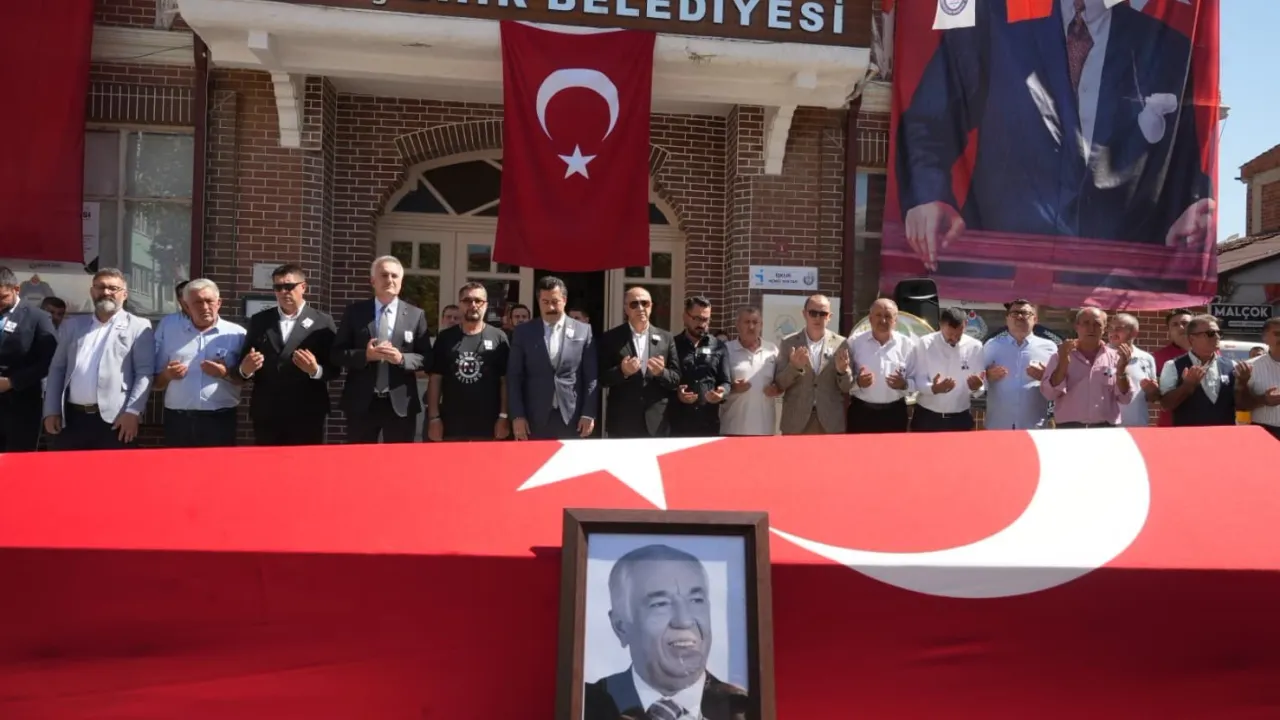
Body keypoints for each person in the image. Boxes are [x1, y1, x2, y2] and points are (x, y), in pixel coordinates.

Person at [897, 0, 1212, 270]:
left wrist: (1194, 204)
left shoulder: (1168, 48)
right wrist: (929, 195)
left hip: (1119, 275)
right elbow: (928, 123)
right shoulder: (994, 23)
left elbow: (1182, 159)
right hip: (1000, 267)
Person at [583, 544, 749, 720]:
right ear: (621, 626)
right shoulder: (582, 706)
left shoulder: (747, 709)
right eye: (660, 604)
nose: (684, 620)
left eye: (696, 600)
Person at [42, 268, 153, 449]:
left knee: (113, 468)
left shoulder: (139, 327)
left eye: (113, 288)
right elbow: (57, 369)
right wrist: (51, 410)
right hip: (71, 419)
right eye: (100, 287)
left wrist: (133, 412)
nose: (106, 292)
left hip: (116, 420)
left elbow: (144, 373)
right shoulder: (73, 325)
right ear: (92, 292)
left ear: (124, 294)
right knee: (67, 468)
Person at [234, 264, 338, 446]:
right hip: (267, 411)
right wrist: (245, 370)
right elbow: (244, 365)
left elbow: (335, 369)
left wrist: (315, 370)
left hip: (307, 411)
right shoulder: (260, 320)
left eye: (289, 286)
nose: (283, 292)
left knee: (304, 462)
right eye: (278, 287)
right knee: (267, 462)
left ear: (303, 287)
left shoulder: (322, 321)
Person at [333, 256, 433, 444]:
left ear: (401, 281)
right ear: (373, 281)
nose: (389, 280)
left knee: (398, 460)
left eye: (394, 276)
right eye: (384, 275)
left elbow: (426, 358)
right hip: (362, 401)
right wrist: (365, 356)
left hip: (400, 403)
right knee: (359, 458)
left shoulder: (416, 315)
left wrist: (402, 359)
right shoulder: (355, 312)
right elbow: (337, 354)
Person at [153, 279, 246, 447]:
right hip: (178, 420)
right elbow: (156, 383)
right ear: (186, 306)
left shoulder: (237, 334)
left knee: (218, 465)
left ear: (219, 303)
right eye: (197, 302)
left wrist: (224, 373)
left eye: (209, 301)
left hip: (220, 420)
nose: (204, 307)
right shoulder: (169, 332)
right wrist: (167, 375)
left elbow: (245, 380)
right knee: (178, 464)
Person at [508, 275, 598, 440]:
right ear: (538, 302)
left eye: (555, 301)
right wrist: (517, 415)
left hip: (572, 417)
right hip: (534, 417)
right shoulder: (523, 332)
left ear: (564, 300)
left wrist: (588, 413)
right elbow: (514, 376)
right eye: (545, 302)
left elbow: (591, 376)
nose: (550, 307)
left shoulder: (583, 331)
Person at [426, 282, 511, 442]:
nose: (473, 305)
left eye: (478, 301)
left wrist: (503, 416)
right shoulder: (445, 338)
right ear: (460, 304)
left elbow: (505, 381)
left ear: (486, 305)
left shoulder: (499, 337)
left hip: (489, 424)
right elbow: (435, 379)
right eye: (467, 300)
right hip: (452, 424)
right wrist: (434, 418)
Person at [598, 286, 679, 439]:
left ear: (651, 306)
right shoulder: (611, 338)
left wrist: (661, 373)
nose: (640, 308)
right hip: (623, 422)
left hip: (656, 422)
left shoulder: (666, 338)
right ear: (626, 309)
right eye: (634, 304)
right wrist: (622, 371)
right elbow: (601, 379)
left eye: (645, 303)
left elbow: (675, 379)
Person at [1039, 308, 1136, 428]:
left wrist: (1121, 371)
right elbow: (1049, 394)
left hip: (1104, 429)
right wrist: (1063, 363)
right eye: (1086, 323)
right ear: (1077, 326)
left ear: (1104, 328)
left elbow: (1126, 398)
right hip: (1069, 428)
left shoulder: (1116, 358)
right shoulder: (1060, 355)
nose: (1091, 329)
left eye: (1097, 324)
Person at [775, 294, 851, 435]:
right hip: (796, 421)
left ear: (829, 317)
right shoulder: (789, 343)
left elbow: (847, 387)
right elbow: (780, 383)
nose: (817, 318)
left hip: (830, 422)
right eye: (813, 313)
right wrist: (794, 368)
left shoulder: (841, 343)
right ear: (804, 314)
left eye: (823, 314)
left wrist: (842, 372)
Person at [0, 267, 58, 452]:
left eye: (2, 297)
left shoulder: (38, 317)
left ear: (16, 289)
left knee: (17, 459)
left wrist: (13, 381)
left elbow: (49, 360)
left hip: (20, 404)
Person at [982, 299, 1058, 430]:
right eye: (1014, 313)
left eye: (1025, 313)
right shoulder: (992, 345)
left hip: (1034, 426)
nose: (1019, 316)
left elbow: (1058, 386)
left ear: (1035, 319)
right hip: (998, 426)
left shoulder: (1049, 348)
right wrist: (987, 376)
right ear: (1007, 319)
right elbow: (977, 382)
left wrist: (1045, 378)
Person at [847, 298, 915, 434]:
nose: (883, 320)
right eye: (878, 315)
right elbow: (843, 379)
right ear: (870, 318)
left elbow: (917, 380)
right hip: (861, 413)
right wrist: (857, 382)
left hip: (894, 413)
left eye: (888, 316)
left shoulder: (907, 345)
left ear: (895, 321)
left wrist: (904, 384)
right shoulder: (855, 343)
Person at [911, 307, 985, 432]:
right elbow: (918, 379)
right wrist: (934, 388)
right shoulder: (925, 343)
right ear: (941, 325)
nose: (954, 338)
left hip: (960, 418)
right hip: (928, 417)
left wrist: (977, 387)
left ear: (965, 324)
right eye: (950, 335)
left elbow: (980, 386)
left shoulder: (975, 347)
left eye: (958, 334)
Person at [1157, 314, 1239, 427]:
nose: (1217, 337)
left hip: (1224, 434)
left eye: (1219, 333)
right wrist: (1187, 386)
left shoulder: (1231, 365)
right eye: (1210, 333)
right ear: (1192, 338)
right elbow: (1166, 405)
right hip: (1189, 434)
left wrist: (1243, 383)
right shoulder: (1173, 366)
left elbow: (1241, 404)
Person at [669, 296, 731, 438]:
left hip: (708, 423)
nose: (701, 324)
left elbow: (726, 382)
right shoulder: (672, 345)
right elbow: (663, 381)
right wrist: (677, 394)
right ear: (685, 317)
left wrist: (721, 393)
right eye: (696, 318)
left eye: (705, 319)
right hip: (677, 423)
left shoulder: (719, 346)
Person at [721, 306, 782, 436]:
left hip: (765, 429)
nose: (751, 327)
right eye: (747, 322)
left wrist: (776, 389)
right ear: (737, 325)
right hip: (733, 428)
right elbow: (717, 384)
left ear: (761, 325)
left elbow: (781, 381)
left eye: (755, 322)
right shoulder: (726, 350)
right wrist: (733, 388)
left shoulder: (772, 350)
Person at [1108, 313, 1158, 427]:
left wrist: (1152, 391)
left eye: (1118, 329)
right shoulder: (1100, 356)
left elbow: (1152, 398)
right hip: (1108, 428)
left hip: (1138, 427)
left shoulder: (1147, 358)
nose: (1113, 332)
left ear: (1134, 332)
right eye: (1110, 328)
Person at [1238, 318, 1280, 440]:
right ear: (1265, 338)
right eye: (1278, 334)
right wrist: (1263, 400)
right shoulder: (1250, 367)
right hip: (1264, 432)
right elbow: (1240, 404)